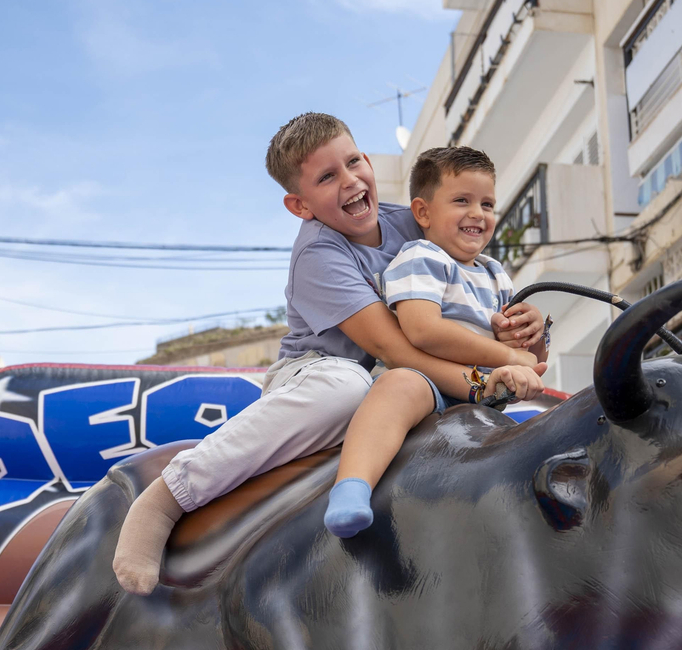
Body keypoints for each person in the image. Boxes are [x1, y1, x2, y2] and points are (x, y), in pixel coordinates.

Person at [111, 113, 541, 594]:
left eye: (354, 161)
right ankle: (167, 498)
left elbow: (473, 301)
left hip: (411, 384)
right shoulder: (319, 255)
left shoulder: (415, 223)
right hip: (323, 375)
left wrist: (524, 331)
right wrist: (483, 379)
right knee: (348, 388)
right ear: (300, 204)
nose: (352, 180)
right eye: (327, 176)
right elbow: (394, 347)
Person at [322, 146, 546, 536]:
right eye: (462, 200)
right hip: (430, 385)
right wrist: (507, 354)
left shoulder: (497, 275)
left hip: (483, 394)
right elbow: (423, 330)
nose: (478, 213)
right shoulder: (421, 257)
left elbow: (530, 357)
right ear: (423, 213)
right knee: (399, 384)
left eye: (488, 204)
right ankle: (351, 487)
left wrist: (532, 335)